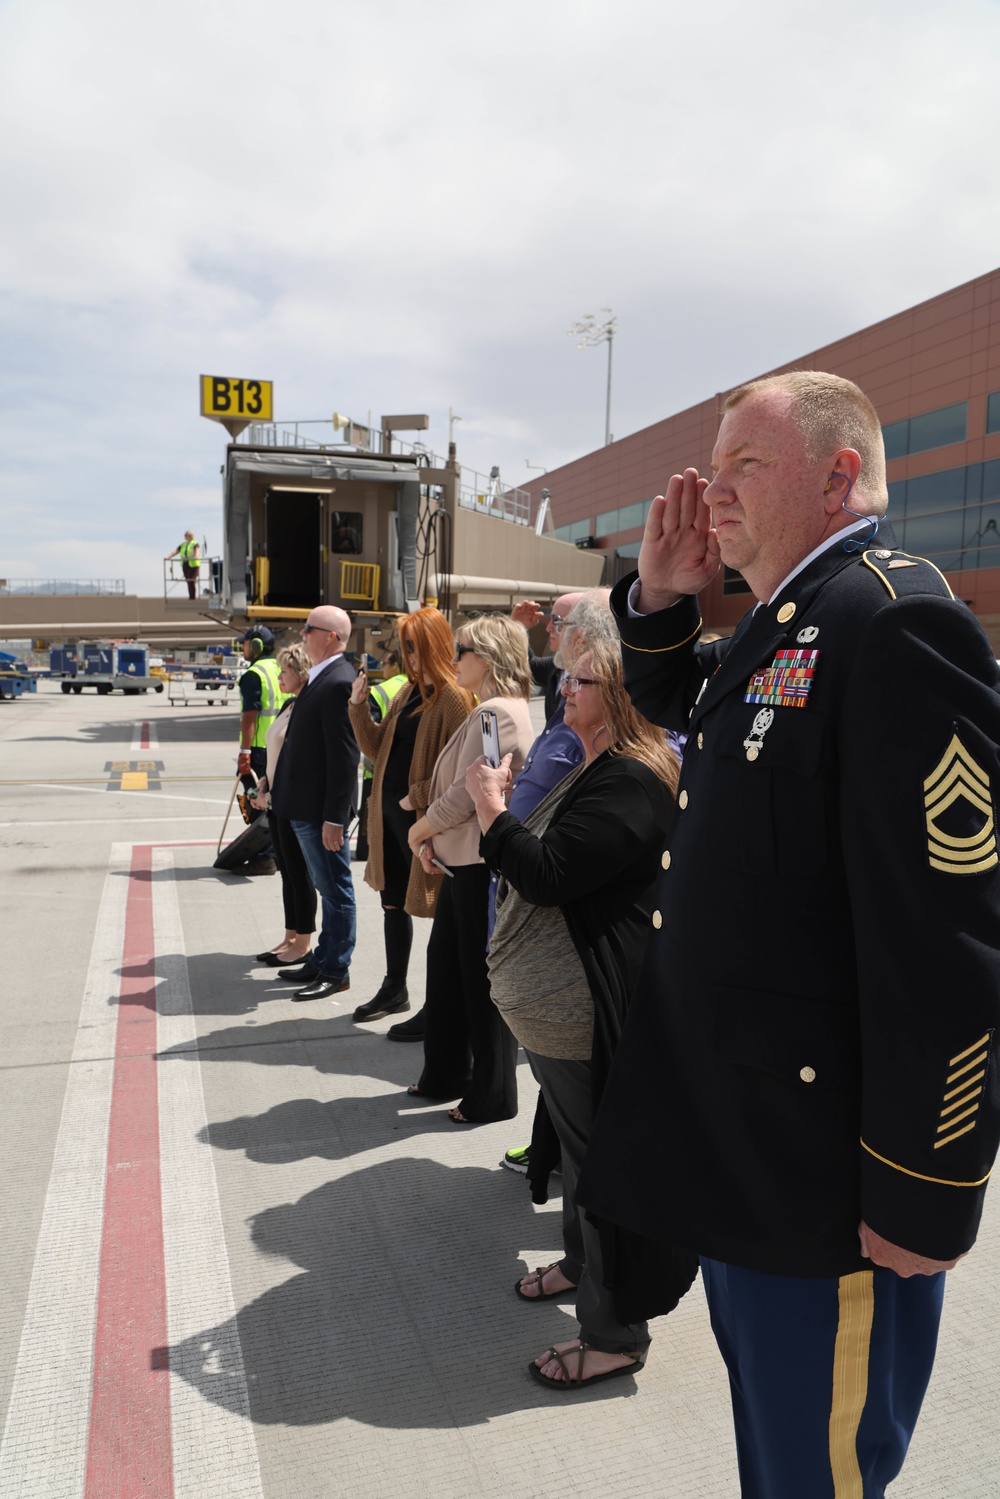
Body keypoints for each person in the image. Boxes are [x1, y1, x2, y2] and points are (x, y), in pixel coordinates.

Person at [577, 371, 1000, 1493]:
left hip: (830, 1194)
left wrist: (926, 1186)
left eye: (743, 470)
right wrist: (662, 601)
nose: (712, 498)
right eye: (710, 476)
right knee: (780, 1459)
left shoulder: (894, 616)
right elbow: (717, 725)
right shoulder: (794, 618)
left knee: (820, 1471)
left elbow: (950, 943)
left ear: (838, 473)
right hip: (751, 1163)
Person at [405, 614, 534, 1121]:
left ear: (489, 657)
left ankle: (493, 1094)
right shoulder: (490, 709)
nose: (454, 659)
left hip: (480, 865)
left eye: (462, 650)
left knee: (478, 984)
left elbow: (469, 790)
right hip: (466, 860)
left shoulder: (496, 712)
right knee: (450, 974)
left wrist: (421, 830)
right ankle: (447, 1074)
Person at [348, 609, 474, 1024]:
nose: (409, 658)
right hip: (392, 825)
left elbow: (461, 770)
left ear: (433, 646)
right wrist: (358, 707)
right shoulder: (407, 692)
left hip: (426, 824)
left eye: (413, 648)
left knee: (441, 914)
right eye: (404, 649)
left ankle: (438, 1006)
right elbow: (376, 747)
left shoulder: (455, 698)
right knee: (393, 906)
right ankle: (394, 987)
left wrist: (412, 796)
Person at [269, 606, 360, 1003]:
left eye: (309, 629)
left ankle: (336, 969)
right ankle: (323, 958)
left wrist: (334, 818)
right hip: (302, 807)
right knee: (326, 887)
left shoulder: (339, 681)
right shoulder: (321, 679)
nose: (302, 634)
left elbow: (344, 758)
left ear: (332, 637)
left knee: (336, 890)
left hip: (319, 812)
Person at [249, 644, 316, 968]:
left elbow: (301, 764)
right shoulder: (289, 704)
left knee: (299, 873)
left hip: (291, 804)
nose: (279, 677)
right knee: (286, 872)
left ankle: (303, 943)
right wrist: (264, 782)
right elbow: (277, 755)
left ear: (302, 673)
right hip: (276, 801)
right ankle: (290, 936)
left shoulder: (307, 708)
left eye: (284, 672)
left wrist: (272, 795)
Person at [235, 624, 289, 877]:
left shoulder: (254, 674)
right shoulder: (280, 670)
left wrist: (244, 752)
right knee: (274, 801)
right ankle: (276, 852)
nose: (242, 647)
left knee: (254, 800)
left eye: (245, 643)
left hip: (258, 750)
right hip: (280, 747)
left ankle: (264, 856)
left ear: (254, 645)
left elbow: (250, 717)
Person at [354, 649, 409, 863]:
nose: (383, 667)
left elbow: (369, 736)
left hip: (377, 772)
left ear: (395, 664)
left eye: (385, 662)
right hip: (409, 775)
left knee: (372, 843)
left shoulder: (379, 691)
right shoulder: (422, 686)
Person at [511, 591, 584, 717]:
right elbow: (528, 665)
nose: (548, 628)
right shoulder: (558, 666)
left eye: (556, 621)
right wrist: (518, 627)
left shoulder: (603, 674)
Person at [165, 530, 201, 599]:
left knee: (191, 580)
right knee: (188, 580)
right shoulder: (183, 544)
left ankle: (192, 597)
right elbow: (176, 551)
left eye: (186, 535)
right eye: (184, 535)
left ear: (190, 535)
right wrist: (168, 557)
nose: (185, 536)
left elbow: (197, 551)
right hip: (185, 564)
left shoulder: (194, 543)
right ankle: (191, 596)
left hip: (193, 564)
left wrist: (196, 556)